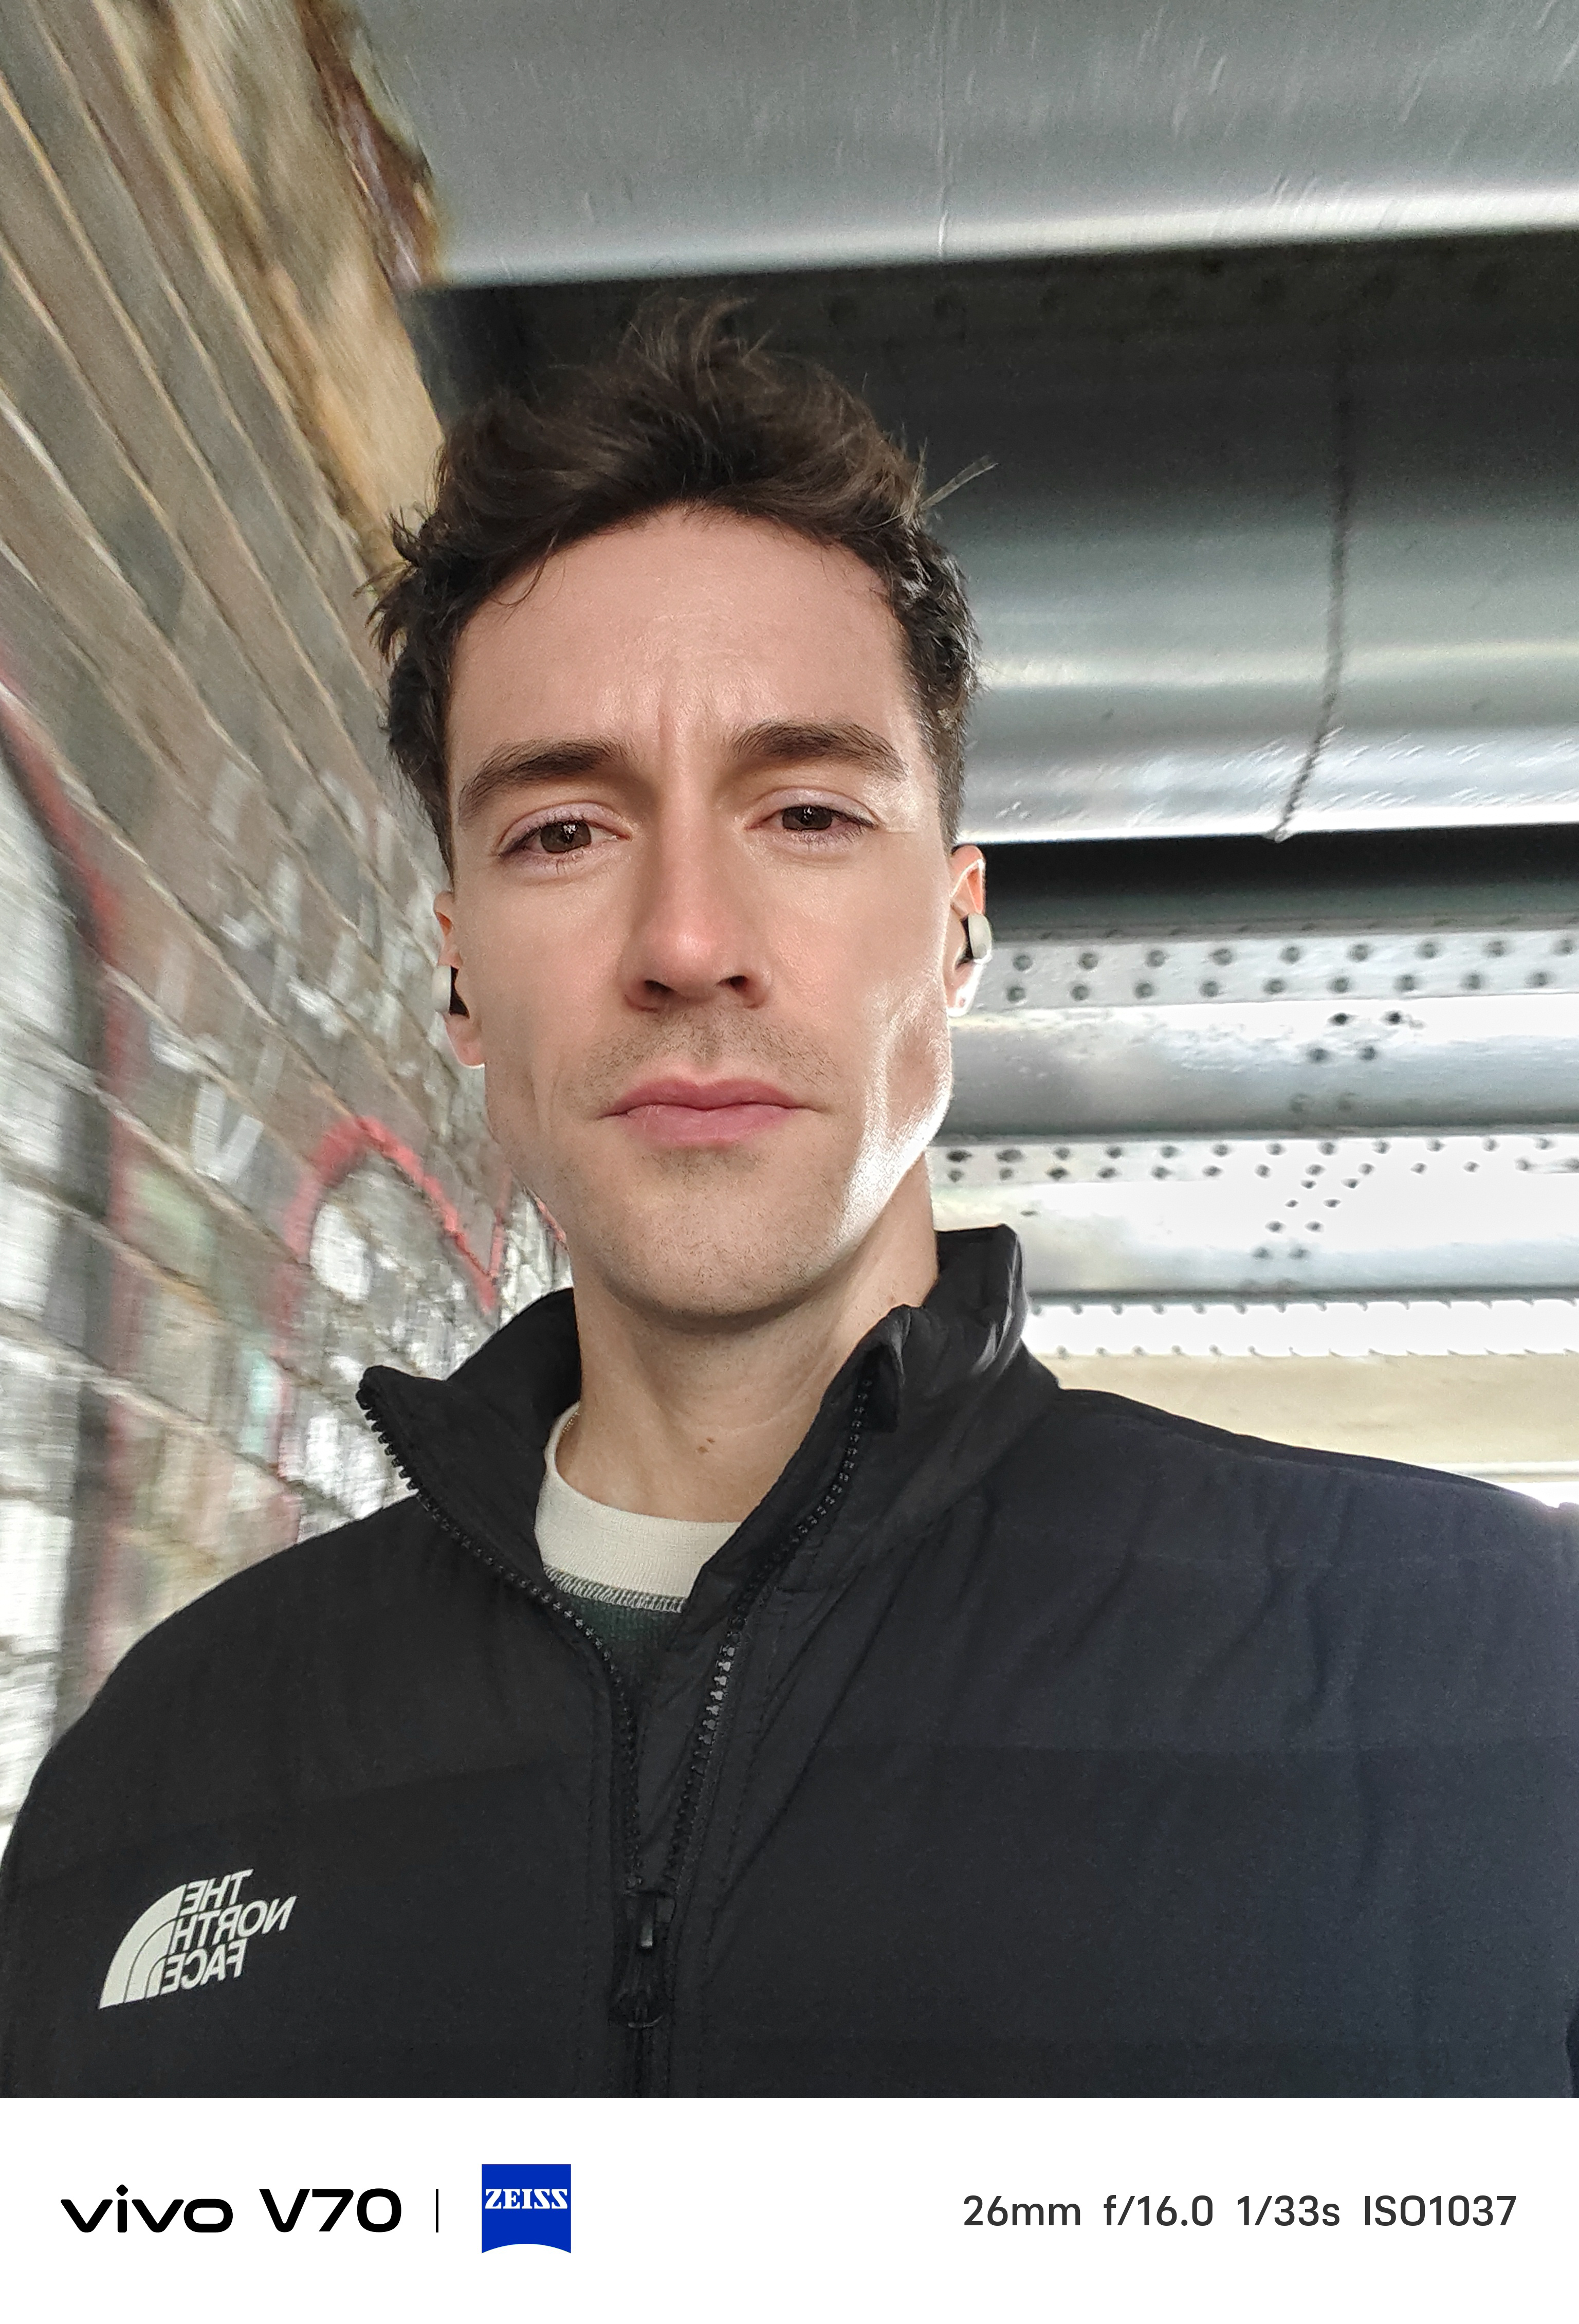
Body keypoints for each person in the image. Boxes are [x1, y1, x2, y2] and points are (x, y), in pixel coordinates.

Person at [3, 305, 1577, 2098]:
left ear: (962, 923)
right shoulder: (164, 1766)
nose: (686, 943)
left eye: (810, 812)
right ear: (457, 977)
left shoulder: (1480, 1671)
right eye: (561, 832)